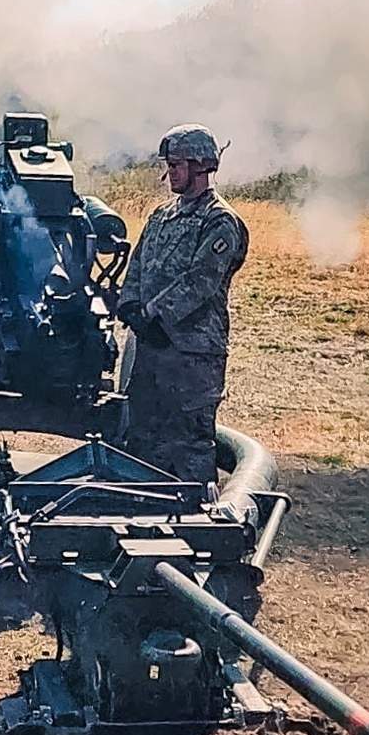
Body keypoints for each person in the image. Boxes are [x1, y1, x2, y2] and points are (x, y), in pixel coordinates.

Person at [117, 124, 248, 486]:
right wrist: (130, 307)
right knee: (142, 438)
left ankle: (200, 526)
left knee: (189, 444)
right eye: (169, 164)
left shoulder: (220, 221)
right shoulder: (161, 216)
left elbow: (200, 280)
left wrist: (155, 316)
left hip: (193, 356)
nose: (169, 172)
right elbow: (138, 263)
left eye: (176, 164)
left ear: (200, 166)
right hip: (151, 350)